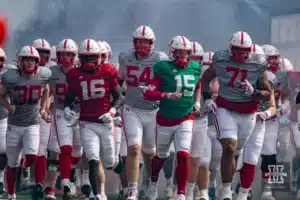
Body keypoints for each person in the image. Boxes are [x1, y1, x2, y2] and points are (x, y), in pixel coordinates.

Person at [201, 31, 271, 200]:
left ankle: (235, 187)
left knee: (237, 152)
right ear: (231, 49)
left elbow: (267, 93)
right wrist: (207, 98)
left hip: (248, 112)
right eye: (238, 50)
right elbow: (205, 78)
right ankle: (226, 191)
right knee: (229, 147)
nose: (242, 54)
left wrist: (254, 92)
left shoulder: (258, 63)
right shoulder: (221, 59)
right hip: (226, 108)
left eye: (245, 50)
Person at [142, 35, 202, 200]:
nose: (183, 56)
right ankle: (153, 181)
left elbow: (198, 86)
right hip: (165, 118)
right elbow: (149, 94)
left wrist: (197, 103)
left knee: (183, 154)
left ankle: (181, 193)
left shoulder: (196, 67)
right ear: (172, 52)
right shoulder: (163, 68)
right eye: (179, 52)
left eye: (185, 52)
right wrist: (167, 95)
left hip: (185, 117)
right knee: (161, 155)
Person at [65, 39, 123, 200]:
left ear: (99, 57)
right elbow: (70, 96)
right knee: (92, 158)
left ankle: (116, 162)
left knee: (110, 162)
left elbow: (119, 97)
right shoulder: (74, 74)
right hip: (86, 122)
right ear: (80, 58)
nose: (89, 61)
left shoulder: (109, 70)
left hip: (104, 122)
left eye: (92, 57)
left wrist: (111, 112)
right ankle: (96, 194)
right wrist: (67, 108)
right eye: (86, 57)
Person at [118, 25, 169, 200]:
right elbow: (120, 80)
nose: (141, 45)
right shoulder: (125, 57)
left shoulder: (161, 59)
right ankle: (133, 189)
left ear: (152, 43)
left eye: (145, 42)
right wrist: (118, 99)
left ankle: (150, 181)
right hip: (132, 109)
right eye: (139, 41)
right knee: (133, 148)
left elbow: (167, 81)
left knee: (149, 152)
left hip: (153, 110)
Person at [0, 45, 51, 200]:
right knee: (12, 163)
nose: (29, 63)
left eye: (32, 60)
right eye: (26, 60)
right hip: (14, 124)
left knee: (31, 157)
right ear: (20, 61)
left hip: (32, 123)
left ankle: (25, 167)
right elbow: (1, 96)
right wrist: (9, 107)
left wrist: (43, 108)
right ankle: (11, 194)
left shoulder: (43, 75)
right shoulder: (10, 77)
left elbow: (47, 91)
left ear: (37, 62)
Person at [234, 44, 277, 200]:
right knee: (238, 159)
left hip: (262, 122)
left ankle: (263, 190)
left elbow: (273, 106)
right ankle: (237, 187)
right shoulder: (236, 75)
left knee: (265, 154)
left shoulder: (267, 77)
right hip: (241, 120)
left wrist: (265, 113)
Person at [43, 38, 82, 200]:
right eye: (62, 55)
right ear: (56, 56)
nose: (66, 59)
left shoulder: (82, 71)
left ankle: (70, 171)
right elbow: (46, 92)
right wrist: (44, 108)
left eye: (69, 55)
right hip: (60, 112)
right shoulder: (51, 72)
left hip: (80, 113)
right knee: (62, 149)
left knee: (78, 151)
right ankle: (62, 184)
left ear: (75, 56)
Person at [260, 45, 291, 200]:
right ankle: (241, 186)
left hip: (273, 116)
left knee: (275, 150)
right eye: (268, 57)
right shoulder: (255, 72)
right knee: (246, 154)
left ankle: (271, 187)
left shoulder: (283, 72)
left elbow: (286, 93)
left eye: (274, 57)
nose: (272, 61)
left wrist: (284, 106)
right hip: (256, 115)